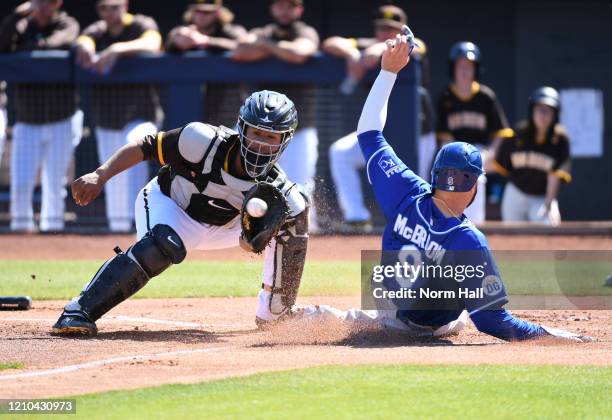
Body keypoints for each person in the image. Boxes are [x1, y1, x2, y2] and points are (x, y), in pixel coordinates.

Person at [298, 32, 591, 343]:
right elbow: (493, 321)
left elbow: (368, 132)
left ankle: (288, 314)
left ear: (436, 174)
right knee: (464, 290)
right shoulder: (468, 239)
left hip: (386, 302)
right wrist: (552, 335)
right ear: (474, 184)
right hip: (423, 328)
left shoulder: (406, 188)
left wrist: (388, 72)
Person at [51, 90, 310, 337]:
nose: (261, 144)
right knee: (163, 245)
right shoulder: (201, 141)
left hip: (225, 228)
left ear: (285, 141)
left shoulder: (274, 191)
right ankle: (79, 310)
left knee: (296, 210)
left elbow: (247, 244)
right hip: (171, 206)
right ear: (242, 128)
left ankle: (276, 311)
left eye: (271, 138)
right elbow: (146, 147)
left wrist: (254, 238)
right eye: (256, 133)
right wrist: (100, 174)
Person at [322, 5, 434, 232]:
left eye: (392, 29)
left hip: (417, 133)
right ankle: (357, 217)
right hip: (382, 131)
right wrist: (353, 54)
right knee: (341, 153)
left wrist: (382, 49)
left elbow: (420, 47)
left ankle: (426, 229)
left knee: (418, 183)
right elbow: (330, 43)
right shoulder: (365, 45)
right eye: (382, 28)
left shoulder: (409, 44)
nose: (386, 33)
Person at [75, 0, 163, 232]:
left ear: (124, 6)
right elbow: (84, 39)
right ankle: (118, 229)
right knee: (109, 176)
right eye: (104, 7)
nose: (109, 12)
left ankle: (140, 226)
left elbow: (153, 43)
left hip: (141, 114)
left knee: (134, 156)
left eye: (114, 6)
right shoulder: (97, 30)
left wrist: (115, 49)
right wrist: (85, 47)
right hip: (107, 117)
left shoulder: (140, 24)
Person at [232, 0, 319, 224]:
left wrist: (267, 47)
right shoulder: (263, 31)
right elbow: (240, 51)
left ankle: (305, 230)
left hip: (298, 126)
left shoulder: (304, 31)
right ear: (272, 8)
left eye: (290, 6)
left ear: (299, 9)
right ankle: (234, 223)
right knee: (242, 174)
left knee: (300, 183)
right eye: (280, 5)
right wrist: (277, 49)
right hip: (259, 128)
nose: (285, 11)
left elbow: (300, 53)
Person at [0, 0, 82, 232]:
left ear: (58, 3)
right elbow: (3, 44)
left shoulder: (67, 22)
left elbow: (58, 42)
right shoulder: (22, 24)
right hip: (28, 119)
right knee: (21, 182)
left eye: (49, 1)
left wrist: (28, 48)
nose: (44, 6)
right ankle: (20, 230)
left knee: (55, 182)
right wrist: (15, 16)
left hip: (61, 118)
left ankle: (51, 231)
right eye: (39, 1)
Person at [436, 41, 513, 224]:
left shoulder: (486, 96)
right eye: (460, 66)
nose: (464, 71)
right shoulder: (445, 96)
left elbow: (501, 132)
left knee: (477, 178)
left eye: (469, 67)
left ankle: (475, 226)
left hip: (478, 150)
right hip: (453, 150)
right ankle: (446, 226)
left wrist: (490, 153)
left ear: (476, 70)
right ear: (453, 69)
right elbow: (443, 136)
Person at [492, 87, 571, 225]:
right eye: (539, 109)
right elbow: (499, 165)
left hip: (541, 198)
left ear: (555, 115)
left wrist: (548, 204)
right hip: (516, 193)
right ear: (532, 111)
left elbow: (555, 176)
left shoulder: (560, 140)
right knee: (512, 238)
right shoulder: (518, 134)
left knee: (550, 226)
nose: (542, 115)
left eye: (548, 111)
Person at [166, 0, 247, 128]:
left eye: (207, 12)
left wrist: (205, 41)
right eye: (198, 11)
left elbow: (243, 45)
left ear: (218, 12)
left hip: (228, 106)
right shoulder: (184, 32)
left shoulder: (231, 31)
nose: (202, 16)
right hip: (192, 107)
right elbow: (170, 45)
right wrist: (178, 41)